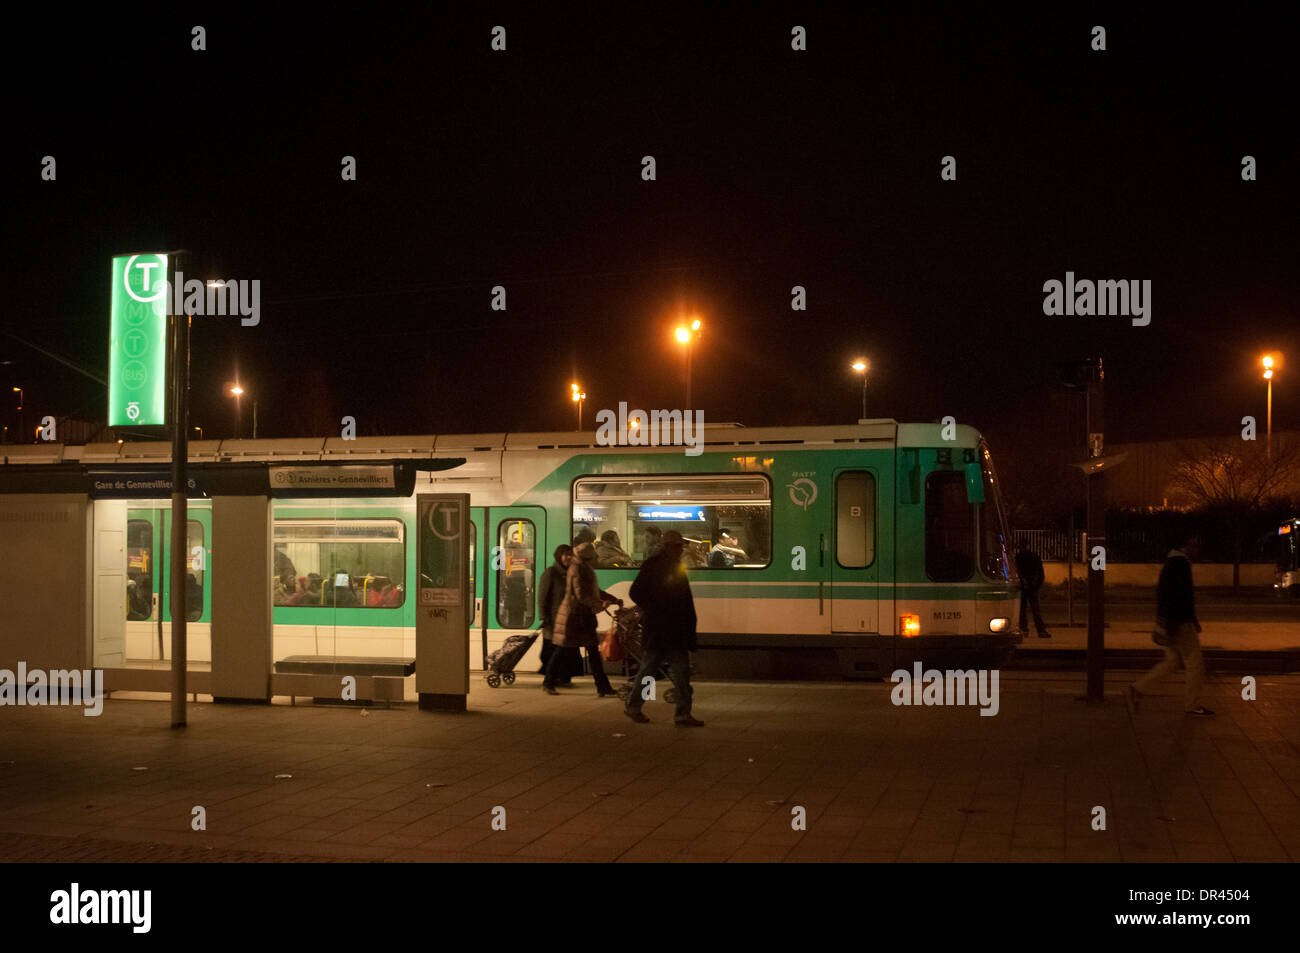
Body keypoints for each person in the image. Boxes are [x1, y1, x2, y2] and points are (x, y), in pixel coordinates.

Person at [1129, 534, 1213, 717]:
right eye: (1194, 545)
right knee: (1195, 664)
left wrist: (1164, 622)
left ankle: (1138, 688)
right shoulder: (1181, 564)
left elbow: (1164, 596)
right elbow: (1182, 597)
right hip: (1180, 623)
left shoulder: (1170, 563)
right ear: (1185, 546)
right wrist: (1189, 620)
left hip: (1170, 622)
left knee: (1173, 661)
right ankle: (1192, 705)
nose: (1197, 550)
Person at [625, 530, 703, 725]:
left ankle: (638, 707)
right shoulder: (654, 566)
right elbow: (636, 592)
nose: (680, 549)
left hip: (671, 630)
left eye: (681, 546)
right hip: (661, 630)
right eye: (677, 546)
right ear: (667, 546)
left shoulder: (673, 566)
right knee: (655, 672)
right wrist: (656, 608)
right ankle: (640, 707)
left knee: (667, 673)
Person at [545, 541, 621, 695]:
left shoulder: (583, 567)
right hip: (574, 617)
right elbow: (580, 595)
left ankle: (602, 687)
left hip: (581, 616)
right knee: (563, 650)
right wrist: (599, 604)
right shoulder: (578, 568)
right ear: (587, 556)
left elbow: (593, 590)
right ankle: (548, 682)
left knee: (589, 652)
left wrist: (612, 599)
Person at [537, 545, 577, 687]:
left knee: (565, 650)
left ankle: (562, 677)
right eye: (565, 554)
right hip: (552, 620)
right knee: (552, 650)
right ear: (558, 556)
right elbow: (542, 596)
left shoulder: (572, 573)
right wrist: (543, 617)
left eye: (570, 554)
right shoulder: (551, 573)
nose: (568, 557)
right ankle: (551, 679)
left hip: (567, 619)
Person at [1014, 546, 1050, 638]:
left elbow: (1017, 571)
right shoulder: (1034, 556)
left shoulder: (1018, 557)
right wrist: (1036, 584)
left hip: (1023, 586)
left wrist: (1022, 582)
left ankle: (1024, 629)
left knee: (1022, 610)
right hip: (1032, 587)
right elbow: (1040, 572)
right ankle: (1040, 630)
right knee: (1035, 609)